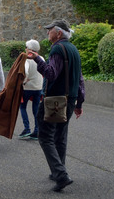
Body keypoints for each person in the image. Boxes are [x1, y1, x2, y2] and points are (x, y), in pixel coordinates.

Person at [26, 19, 85, 193]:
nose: (47, 33)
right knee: (60, 136)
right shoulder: (73, 49)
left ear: (58, 33)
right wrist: (79, 102)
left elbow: (50, 74)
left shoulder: (58, 49)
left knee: (45, 136)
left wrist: (37, 59)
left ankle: (60, 175)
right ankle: (59, 170)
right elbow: (80, 79)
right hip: (70, 98)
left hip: (55, 99)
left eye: (49, 30)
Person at [19, 39, 44, 140]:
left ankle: (27, 128)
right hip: (38, 87)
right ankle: (37, 130)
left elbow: (25, 72)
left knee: (22, 107)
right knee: (36, 109)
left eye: (26, 47)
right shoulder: (41, 58)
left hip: (28, 87)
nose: (25, 49)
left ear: (29, 49)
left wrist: (23, 82)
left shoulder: (27, 59)